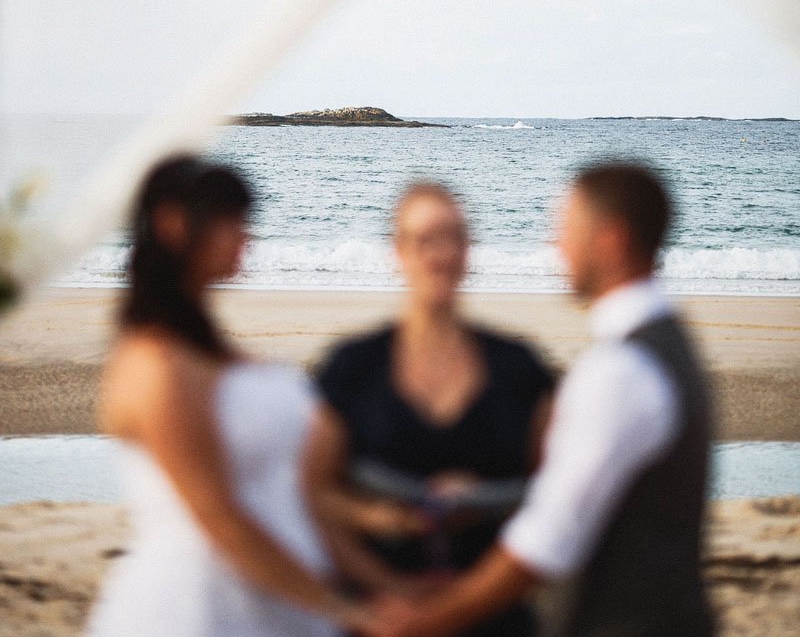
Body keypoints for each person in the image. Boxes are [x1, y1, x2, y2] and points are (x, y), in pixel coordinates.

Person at [370, 161, 715, 637]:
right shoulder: (670, 345)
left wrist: (431, 619)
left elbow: (551, 537)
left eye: (565, 230)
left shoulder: (618, 372)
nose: (555, 246)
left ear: (610, 241)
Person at [87, 154, 372, 637]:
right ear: (174, 225)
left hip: (275, 594)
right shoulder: (156, 363)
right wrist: (342, 611)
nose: (246, 235)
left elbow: (285, 486)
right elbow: (218, 517)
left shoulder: (208, 349)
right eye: (230, 221)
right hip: (198, 608)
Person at [304, 181, 554, 637]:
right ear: (397, 252)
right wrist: (386, 524)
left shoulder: (520, 368)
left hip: (495, 616)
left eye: (454, 237)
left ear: (468, 249)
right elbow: (313, 492)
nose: (440, 253)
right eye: (424, 239)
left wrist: (485, 503)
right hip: (382, 617)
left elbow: (556, 497)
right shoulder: (353, 368)